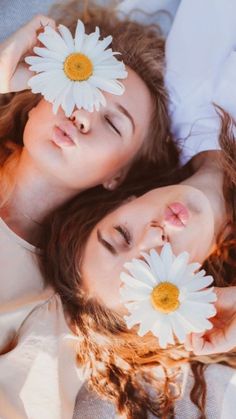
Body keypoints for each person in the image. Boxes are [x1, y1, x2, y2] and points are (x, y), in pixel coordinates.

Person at [0, 1, 178, 417]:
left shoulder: (51, 301)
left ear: (118, 176)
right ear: (41, 93)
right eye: (81, 85)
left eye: (114, 123)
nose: (83, 116)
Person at [38, 109, 236, 419]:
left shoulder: (184, 97)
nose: (153, 236)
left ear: (124, 201)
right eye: (153, 271)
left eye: (122, 234)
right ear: (180, 303)